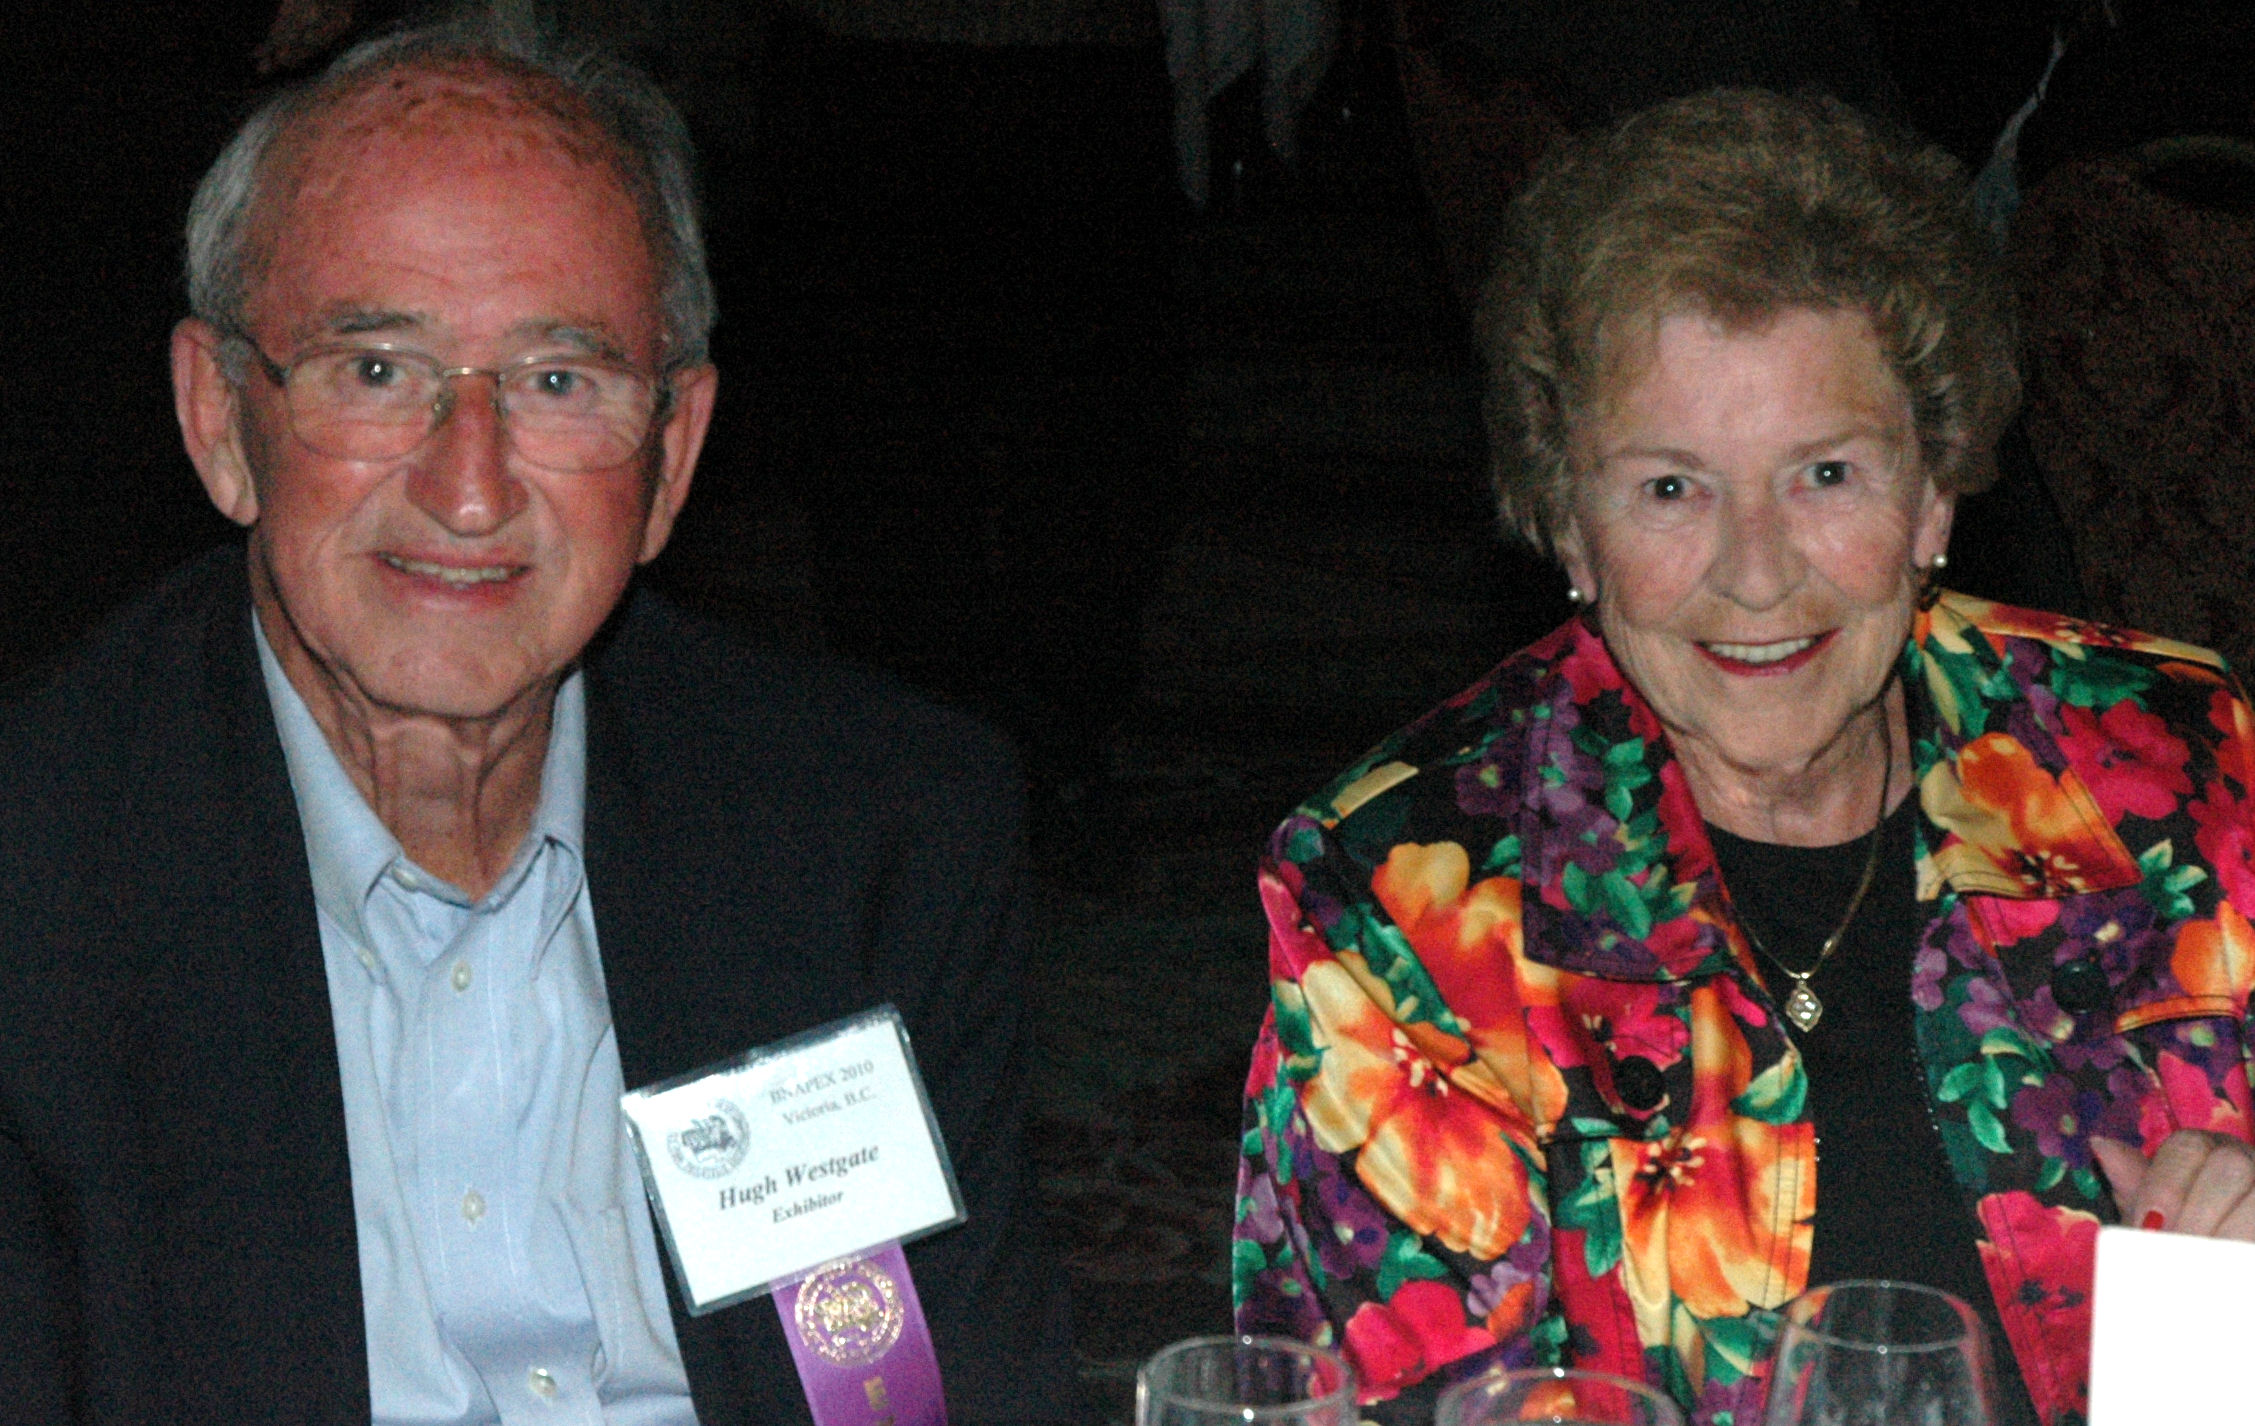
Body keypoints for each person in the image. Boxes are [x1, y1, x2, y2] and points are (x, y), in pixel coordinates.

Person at [0, 21, 1073, 1425]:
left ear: (671, 455)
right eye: (376, 370)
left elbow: (948, 1392)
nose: (470, 488)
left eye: (559, 384)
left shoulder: (870, 833)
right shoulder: (42, 877)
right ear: (220, 419)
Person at [1232, 88, 2255, 1426]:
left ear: (1935, 490)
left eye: (1826, 474)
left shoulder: (2175, 761)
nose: (1758, 575)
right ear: (1569, 526)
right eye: (1671, 488)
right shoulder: (1403, 907)